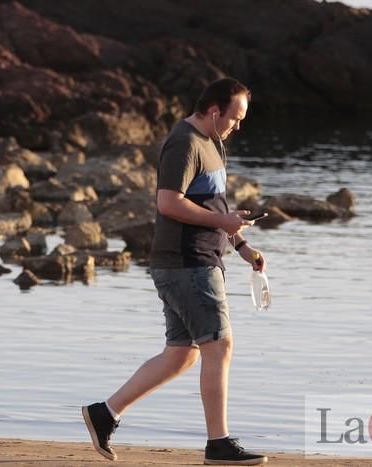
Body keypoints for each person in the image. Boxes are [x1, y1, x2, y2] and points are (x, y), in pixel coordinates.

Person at [82, 78, 268, 465]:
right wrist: (226, 223)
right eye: (235, 118)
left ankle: (105, 413)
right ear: (215, 110)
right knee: (220, 346)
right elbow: (168, 202)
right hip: (187, 262)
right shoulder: (184, 142)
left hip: (197, 261)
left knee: (182, 355)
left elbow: (215, 209)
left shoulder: (214, 143)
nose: (238, 126)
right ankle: (219, 444)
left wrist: (242, 245)